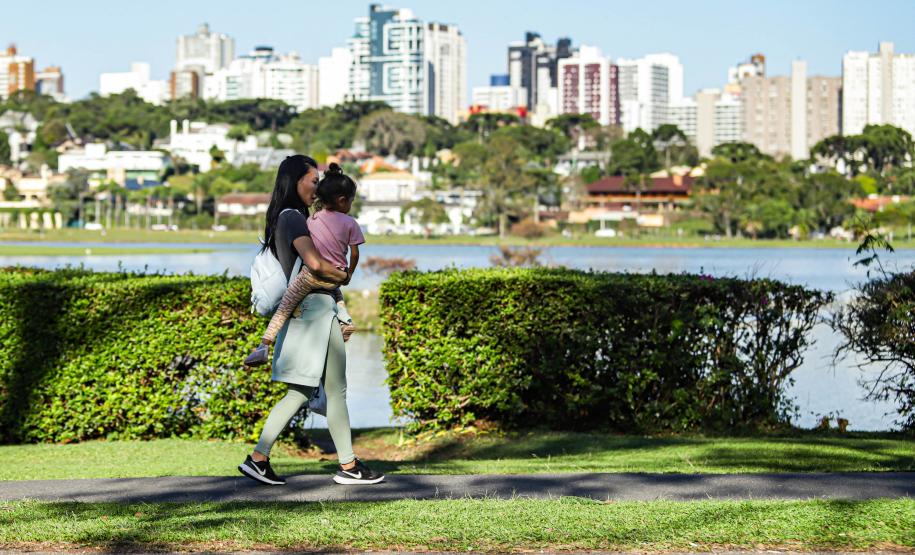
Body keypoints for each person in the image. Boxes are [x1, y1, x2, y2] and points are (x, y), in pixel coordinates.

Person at [238, 155, 384, 486]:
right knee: (321, 390)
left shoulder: (302, 217)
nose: (317, 187)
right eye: (312, 181)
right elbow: (316, 263)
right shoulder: (292, 218)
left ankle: (338, 464)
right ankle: (340, 466)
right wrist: (342, 275)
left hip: (315, 311)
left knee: (318, 390)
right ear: (295, 182)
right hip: (314, 311)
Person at [244, 163, 364, 367]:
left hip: (310, 277)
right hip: (335, 275)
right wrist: (347, 274)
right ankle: (346, 322)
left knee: (285, 306)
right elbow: (354, 252)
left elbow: (314, 262)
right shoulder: (350, 223)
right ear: (343, 200)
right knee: (338, 296)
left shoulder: (310, 220)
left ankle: (264, 345)